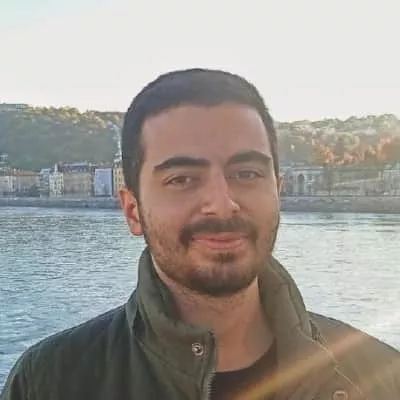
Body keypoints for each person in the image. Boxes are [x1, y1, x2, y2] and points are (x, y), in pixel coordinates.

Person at [1, 69, 399, 400]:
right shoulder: (49, 383)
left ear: (277, 192)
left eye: (246, 173)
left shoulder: (382, 377)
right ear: (133, 210)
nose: (222, 204)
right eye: (182, 179)